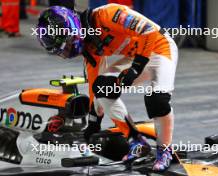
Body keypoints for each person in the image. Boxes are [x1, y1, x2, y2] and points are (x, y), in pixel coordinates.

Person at [36, 4, 178, 171]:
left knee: (157, 100)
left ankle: (165, 150)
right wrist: (94, 121)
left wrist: (136, 67)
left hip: (161, 47)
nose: (68, 51)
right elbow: (94, 82)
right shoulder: (88, 45)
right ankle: (137, 142)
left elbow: (149, 31)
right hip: (137, 56)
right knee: (101, 88)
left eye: (66, 45)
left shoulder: (108, 15)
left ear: (72, 28)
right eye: (63, 50)